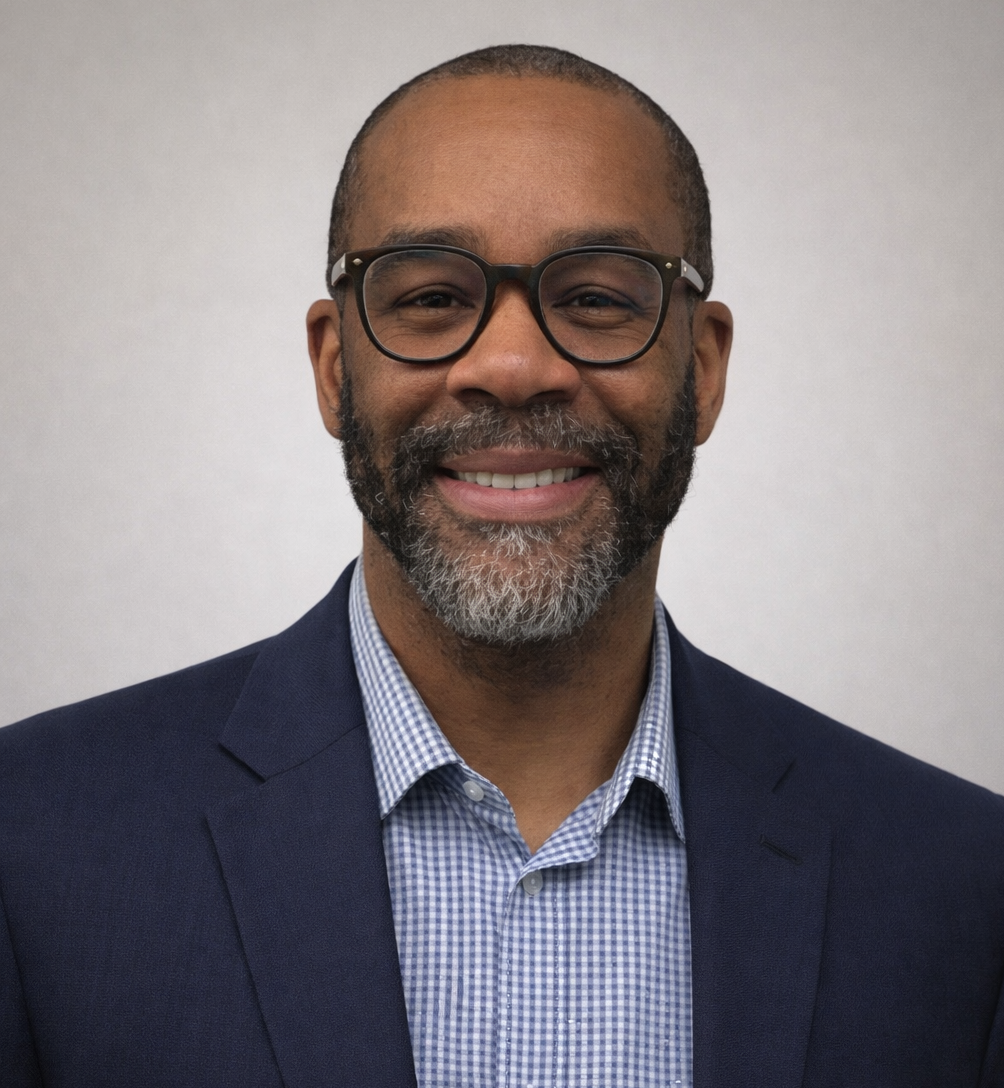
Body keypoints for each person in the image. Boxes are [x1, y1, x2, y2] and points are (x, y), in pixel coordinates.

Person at [1, 43, 1002, 1088]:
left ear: (700, 370)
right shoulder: (29, 843)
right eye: (430, 296)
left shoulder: (962, 884)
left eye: (598, 298)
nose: (513, 365)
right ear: (335, 369)